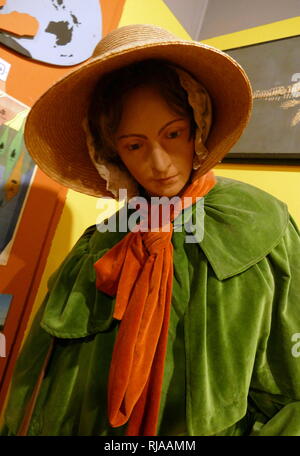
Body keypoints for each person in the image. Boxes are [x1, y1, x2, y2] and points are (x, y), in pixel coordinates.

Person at [1, 24, 300, 437]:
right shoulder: (101, 244)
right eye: (135, 145)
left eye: (172, 134)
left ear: (199, 123)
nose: (160, 165)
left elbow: (290, 372)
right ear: (110, 152)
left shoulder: (257, 221)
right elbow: (50, 381)